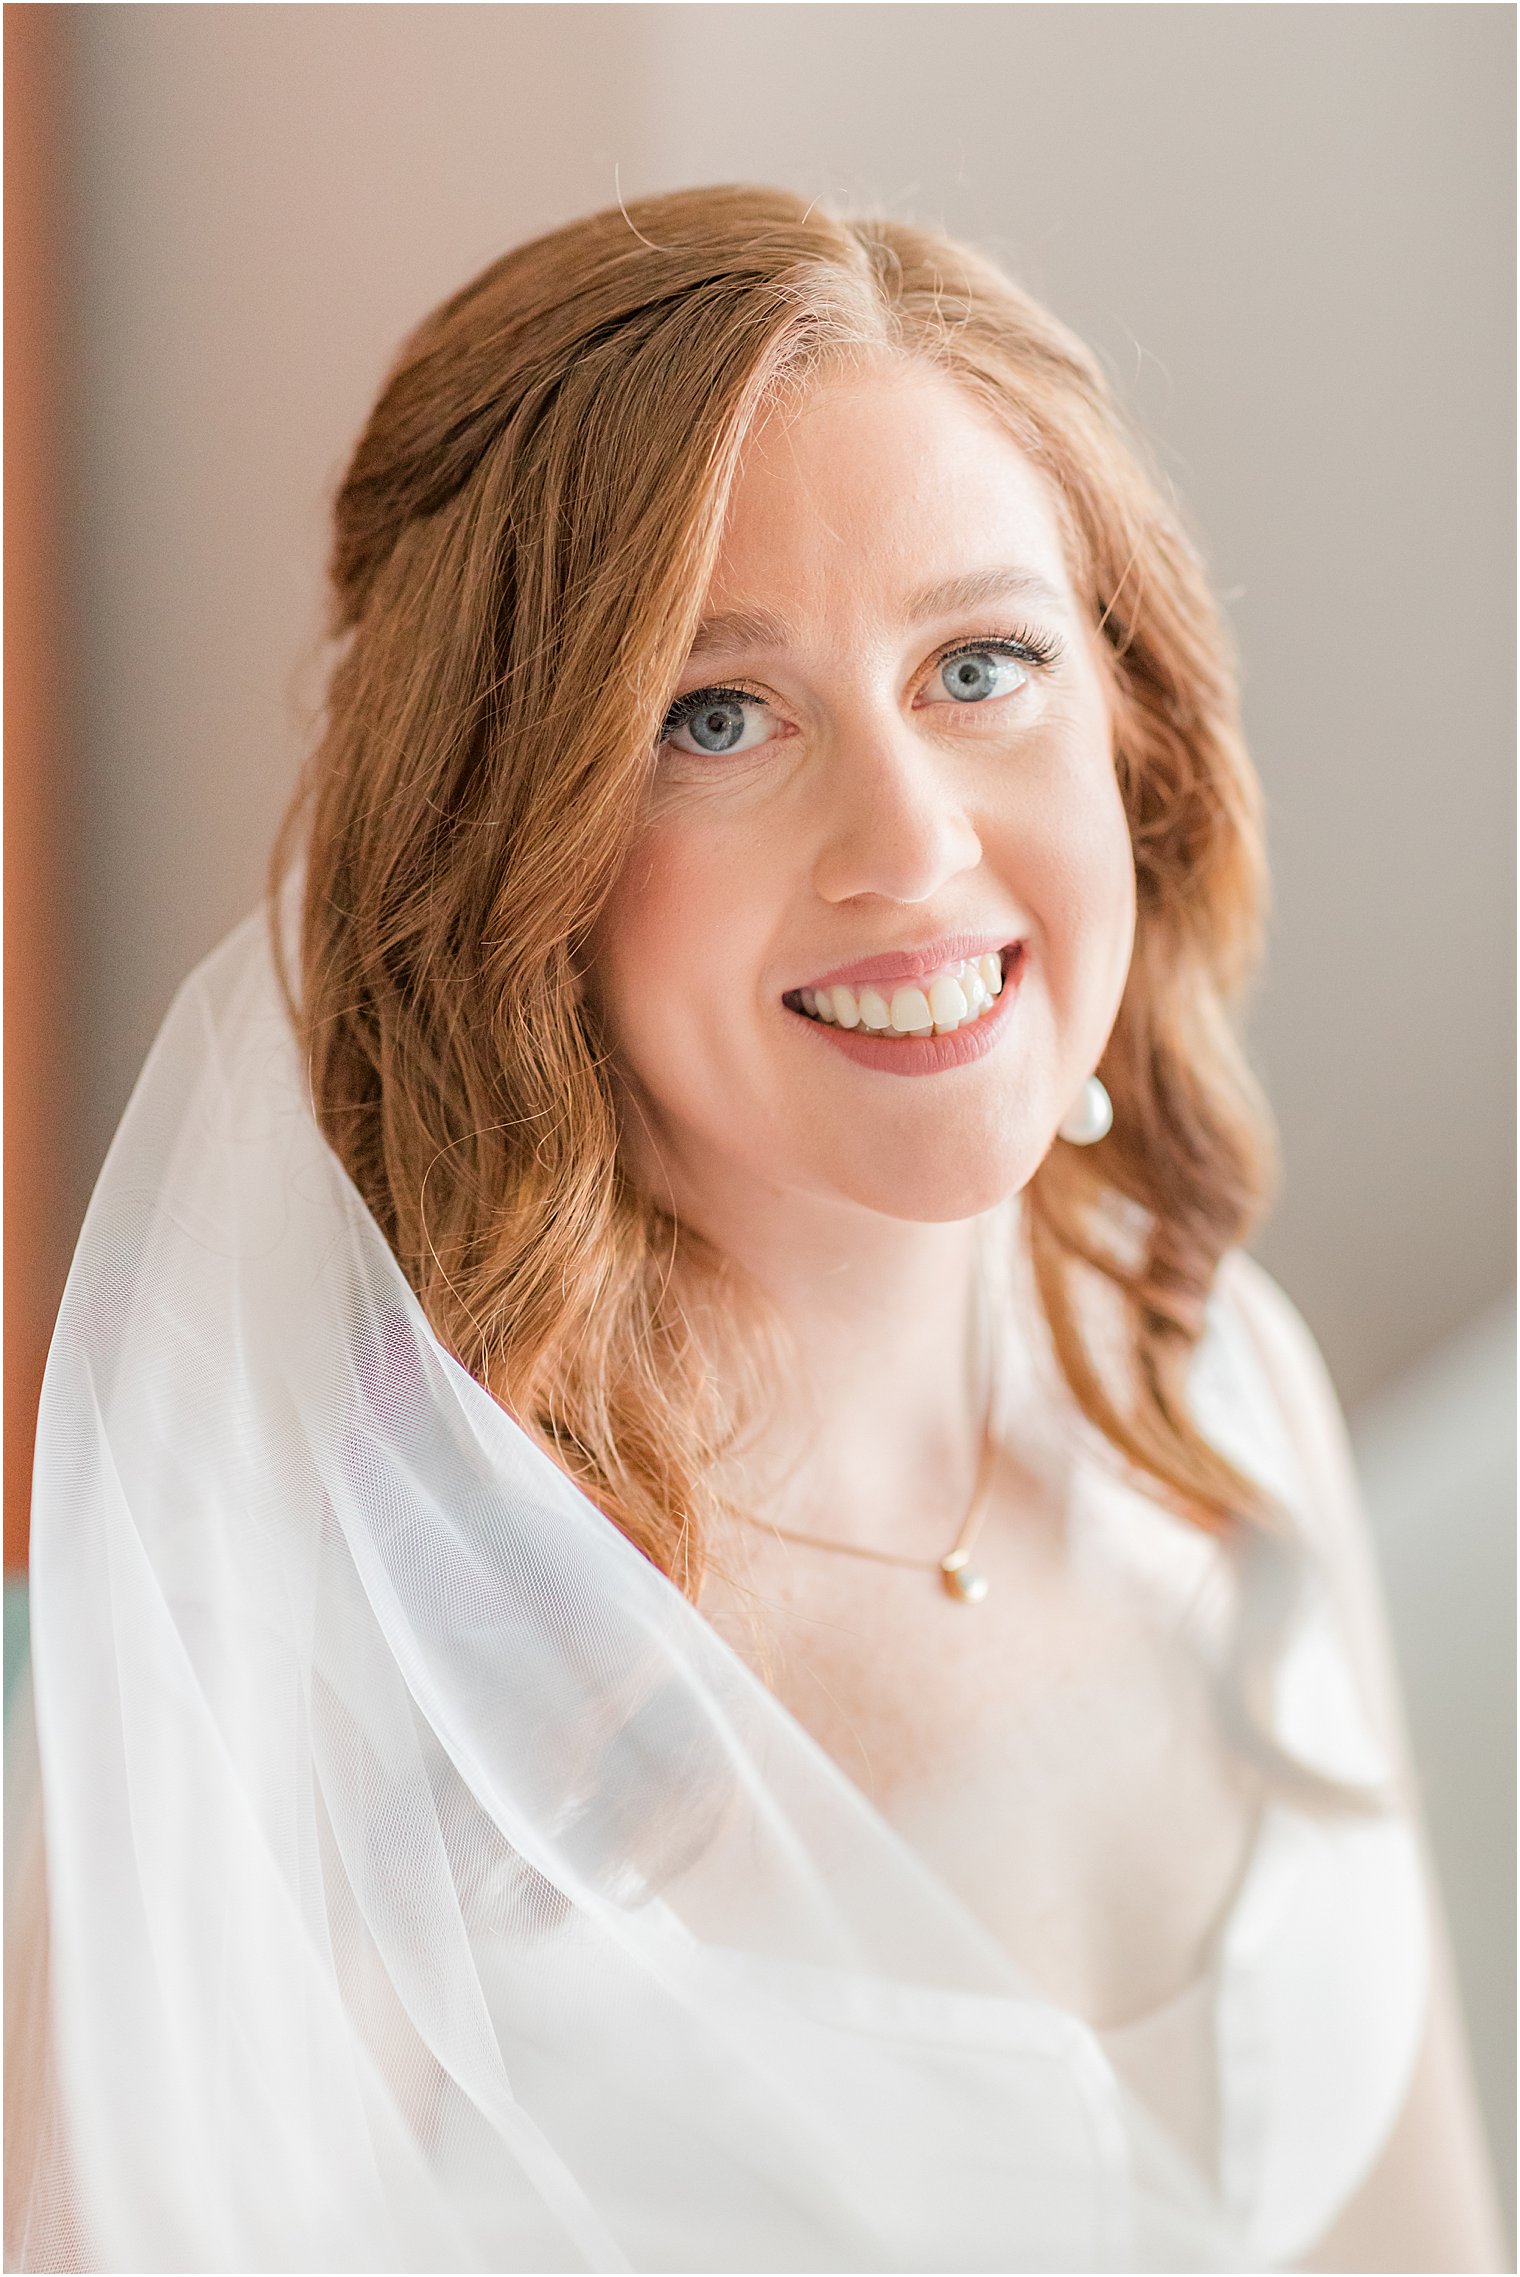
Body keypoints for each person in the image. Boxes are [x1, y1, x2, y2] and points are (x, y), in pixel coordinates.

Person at [4, 184, 1506, 2273]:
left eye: (980, 664)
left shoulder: (1216, 1382)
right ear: (515, 845)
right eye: (715, 717)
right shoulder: (372, 1647)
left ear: (1134, 729)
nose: (908, 842)